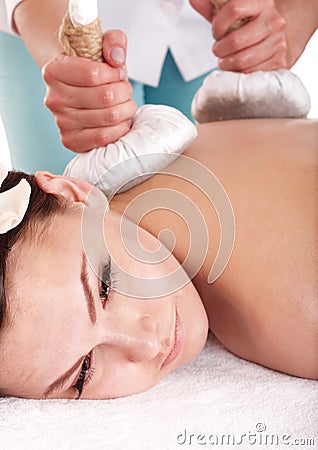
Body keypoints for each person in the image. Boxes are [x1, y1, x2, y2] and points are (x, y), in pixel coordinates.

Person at [0, 115, 317, 400]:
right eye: (83, 372)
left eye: (107, 285)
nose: (147, 344)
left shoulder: (297, 306)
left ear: (73, 193)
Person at [1, 0, 316, 172]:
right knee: (74, 223)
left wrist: (295, 14)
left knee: (214, 219)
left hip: (212, 35)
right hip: (47, 23)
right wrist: (67, 55)